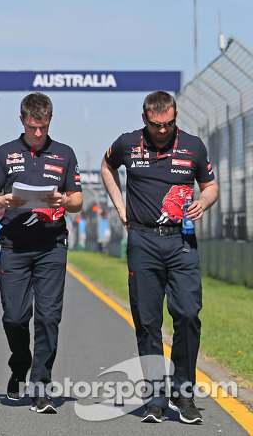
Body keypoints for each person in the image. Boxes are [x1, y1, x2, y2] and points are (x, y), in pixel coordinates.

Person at [101, 90, 217, 424]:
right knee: (148, 323)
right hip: (142, 241)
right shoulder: (127, 143)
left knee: (188, 314)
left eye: (168, 124)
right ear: (145, 119)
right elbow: (106, 167)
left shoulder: (194, 146)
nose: (162, 130)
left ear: (175, 117)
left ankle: (184, 393)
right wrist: (120, 207)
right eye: (156, 125)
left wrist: (204, 202)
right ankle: (155, 397)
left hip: (182, 244)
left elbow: (210, 186)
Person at [0, 92, 82, 414]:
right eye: (33, 126)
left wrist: (64, 201)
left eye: (43, 126)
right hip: (14, 245)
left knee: (49, 317)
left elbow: (78, 201)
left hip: (52, 244)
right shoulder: (5, 153)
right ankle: (20, 362)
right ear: (23, 119)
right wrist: (3, 201)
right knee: (14, 316)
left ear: (50, 121)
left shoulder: (64, 153)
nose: (38, 133)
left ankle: (41, 385)